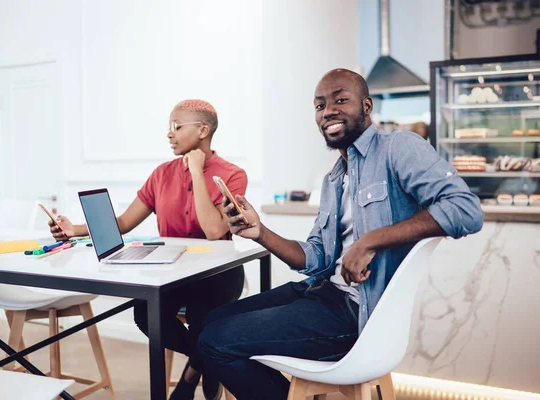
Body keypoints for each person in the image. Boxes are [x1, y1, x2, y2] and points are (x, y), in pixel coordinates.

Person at [197, 69, 484, 400]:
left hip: (354, 315)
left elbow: (466, 210)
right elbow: (315, 259)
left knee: (215, 340)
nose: (327, 111)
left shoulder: (398, 148)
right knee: (212, 320)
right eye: (319, 106)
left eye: (340, 100)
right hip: (319, 292)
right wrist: (259, 231)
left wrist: (371, 240)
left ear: (366, 106)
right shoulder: (333, 178)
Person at [49, 99, 247, 400]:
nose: (169, 134)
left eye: (176, 127)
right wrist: (72, 229)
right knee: (145, 313)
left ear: (203, 130)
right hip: (172, 272)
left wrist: (196, 172)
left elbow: (215, 231)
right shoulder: (161, 174)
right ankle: (207, 363)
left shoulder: (231, 174)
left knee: (202, 313)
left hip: (217, 274)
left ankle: (190, 376)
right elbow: (125, 222)